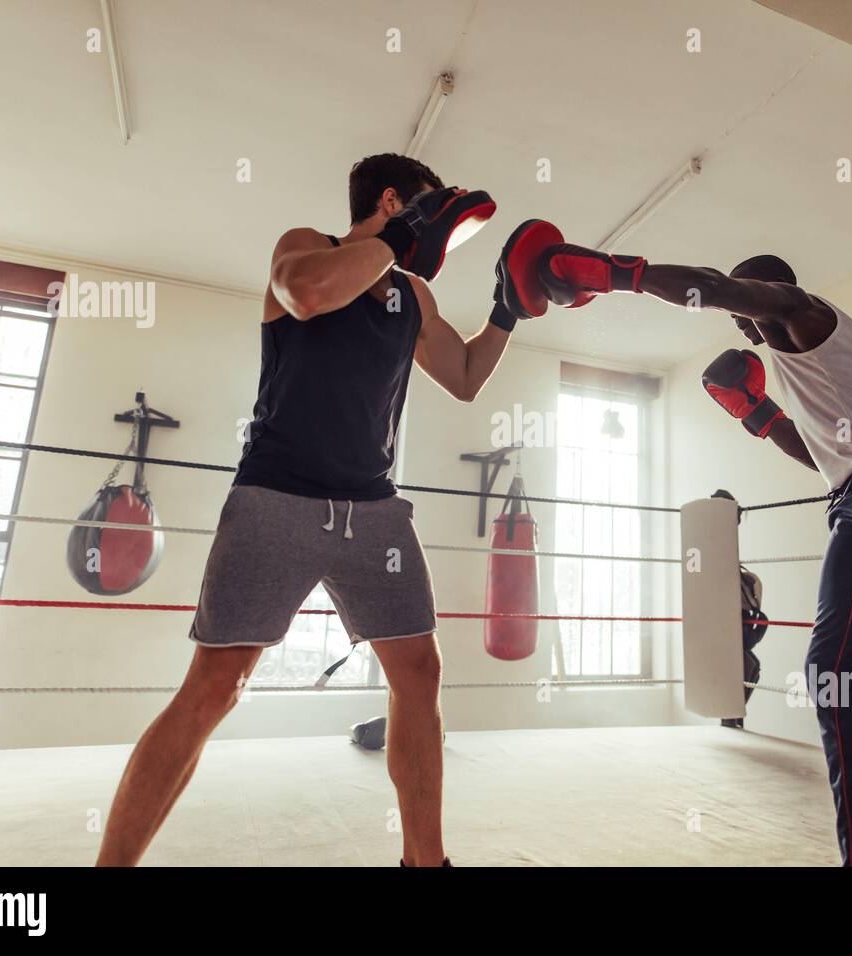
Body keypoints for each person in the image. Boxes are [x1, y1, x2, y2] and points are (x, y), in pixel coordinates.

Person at [97, 153, 523, 868]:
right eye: (427, 214)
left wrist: (508, 309)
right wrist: (394, 241)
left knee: (418, 673)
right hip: (276, 497)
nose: (437, 239)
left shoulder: (412, 297)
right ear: (391, 202)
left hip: (375, 508)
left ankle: (427, 862)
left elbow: (466, 377)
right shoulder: (308, 247)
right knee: (216, 688)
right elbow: (304, 295)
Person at [539, 245, 852, 867]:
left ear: (766, 289)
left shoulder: (806, 315)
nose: (735, 315)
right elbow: (825, 455)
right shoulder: (810, 362)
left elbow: (715, 287)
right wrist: (756, 413)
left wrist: (613, 275)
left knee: (838, 673)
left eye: (743, 298)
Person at [709, 489, 768, 730]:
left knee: (747, 665)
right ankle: (729, 720)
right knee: (737, 666)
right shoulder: (708, 549)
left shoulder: (747, 579)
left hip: (735, 622)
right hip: (718, 620)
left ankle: (732, 720)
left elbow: (757, 612)